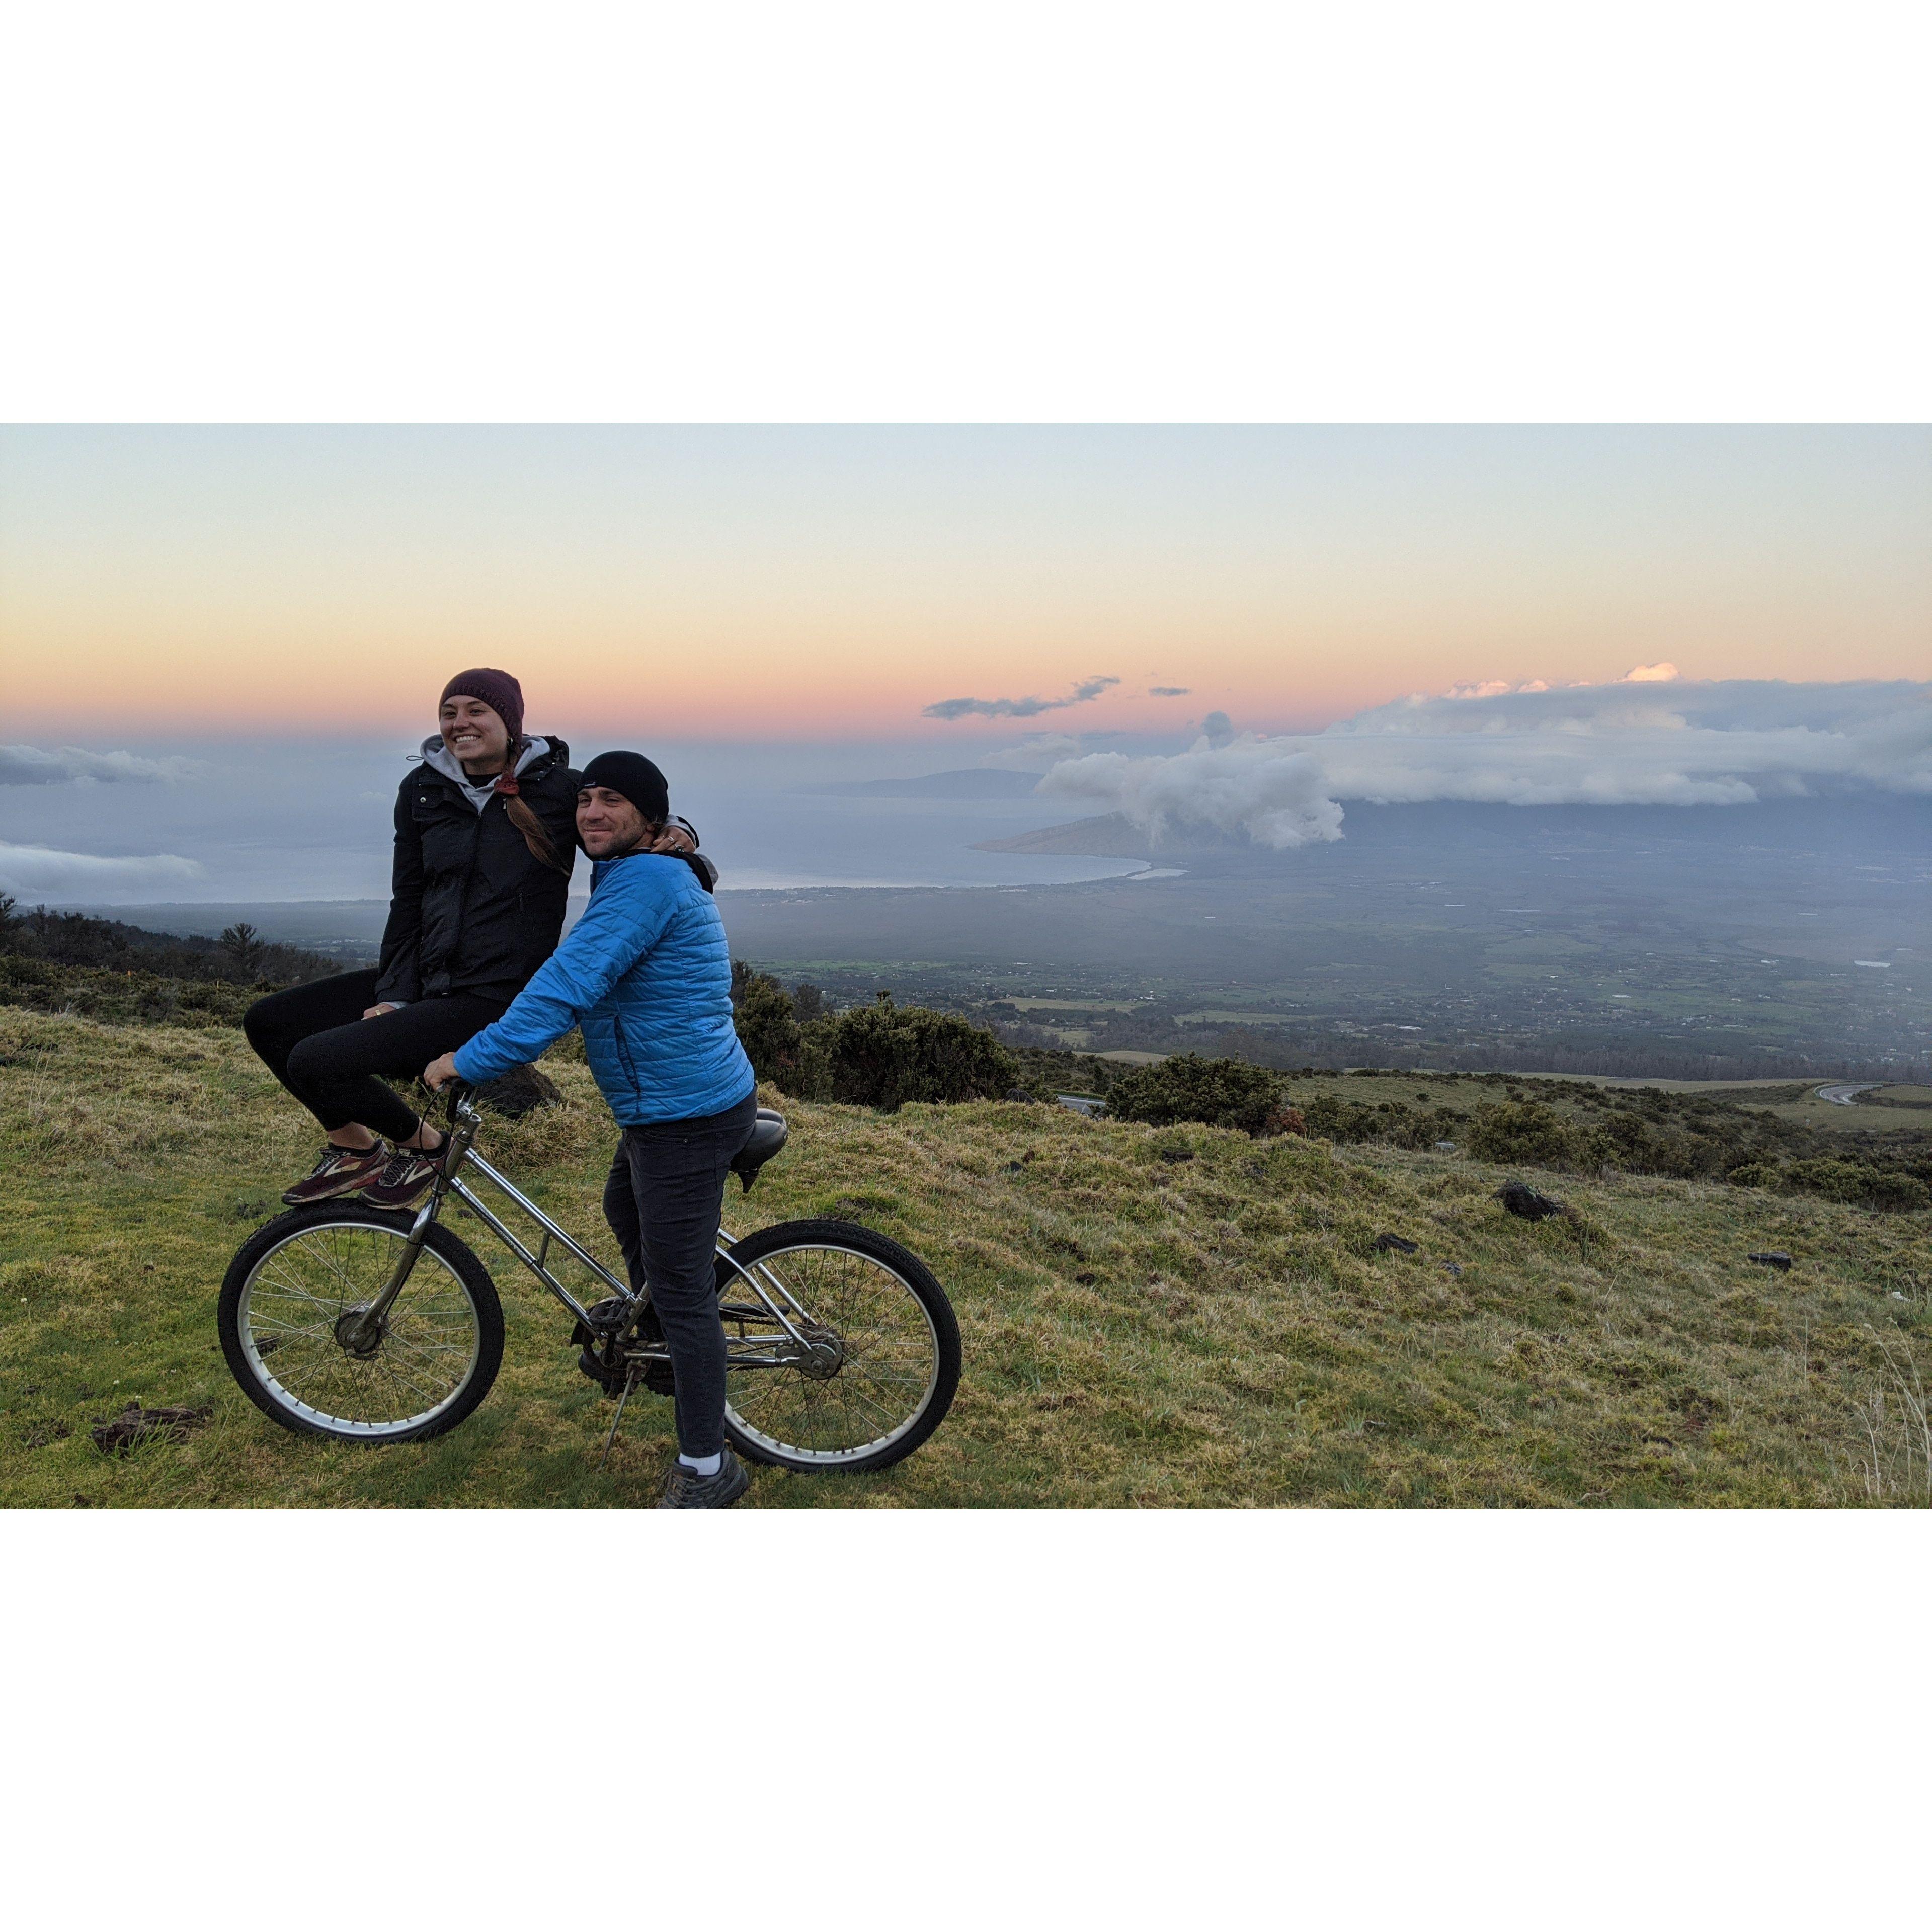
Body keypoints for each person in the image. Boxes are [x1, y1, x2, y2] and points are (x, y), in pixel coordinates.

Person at [424, 750, 757, 1510]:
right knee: (622, 1208)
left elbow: (567, 988)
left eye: (613, 801)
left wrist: (467, 1060)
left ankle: (709, 1468)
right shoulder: (645, 866)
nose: (592, 813)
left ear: (649, 817)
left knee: (681, 1289)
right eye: (586, 800)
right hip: (674, 1101)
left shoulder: (644, 881)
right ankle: (666, 1336)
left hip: (684, 1114)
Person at [244, 669, 698, 1211]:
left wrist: (684, 833)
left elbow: (627, 820)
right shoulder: (422, 790)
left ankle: (425, 1148)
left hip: (493, 992)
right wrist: (393, 994)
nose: (461, 722)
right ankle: (355, 1149)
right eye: (449, 712)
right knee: (269, 1023)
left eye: (476, 711)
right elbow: (407, 899)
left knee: (315, 1061)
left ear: (510, 722)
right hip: (430, 977)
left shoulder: (560, 790)